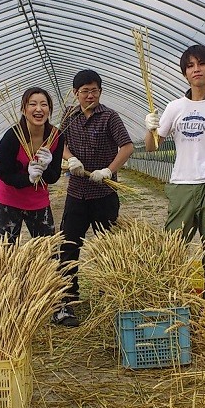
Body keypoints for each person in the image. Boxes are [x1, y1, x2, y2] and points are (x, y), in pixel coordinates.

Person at [144, 44, 205, 300]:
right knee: (172, 249)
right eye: (190, 66)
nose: (196, 69)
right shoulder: (175, 107)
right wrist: (151, 128)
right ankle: (170, 301)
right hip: (182, 185)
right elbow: (152, 147)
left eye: (201, 64)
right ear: (184, 73)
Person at [56, 69, 134, 327]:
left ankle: (110, 296)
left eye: (94, 90)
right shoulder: (69, 115)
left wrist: (109, 170)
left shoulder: (110, 117)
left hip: (104, 194)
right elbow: (59, 143)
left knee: (108, 250)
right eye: (84, 91)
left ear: (100, 91)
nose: (90, 95)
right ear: (76, 93)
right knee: (68, 248)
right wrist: (70, 158)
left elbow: (127, 146)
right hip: (76, 194)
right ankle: (67, 301)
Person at [0, 86, 64, 243]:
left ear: (50, 109)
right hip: (9, 199)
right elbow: (4, 172)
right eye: (32, 104)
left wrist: (45, 168)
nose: (39, 109)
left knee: (48, 249)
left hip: (37, 199)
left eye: (44, 104)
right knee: (7, 250)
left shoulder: (56, 136)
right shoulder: (13, 136)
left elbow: (54, 176)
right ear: (24, 109)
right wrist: (28, 178)